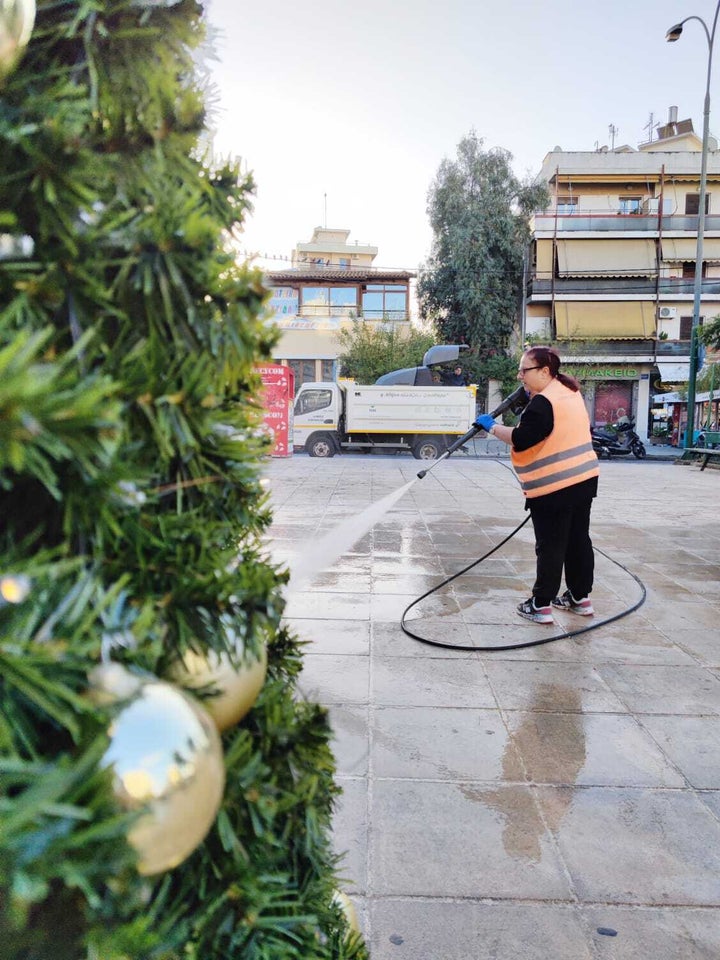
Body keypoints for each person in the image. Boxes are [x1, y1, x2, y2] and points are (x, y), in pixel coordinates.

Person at [475, 346, 599, 625]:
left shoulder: (544, 402)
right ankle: (580, 598)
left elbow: (521, 438)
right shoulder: (569, 392)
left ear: (544, 371)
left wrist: (491, 427)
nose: (520, 376)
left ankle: (541, 604)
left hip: (555, 486)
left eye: (525, 370)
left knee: (551, 545)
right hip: (583, 479)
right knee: (578, 540)